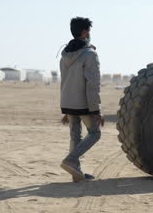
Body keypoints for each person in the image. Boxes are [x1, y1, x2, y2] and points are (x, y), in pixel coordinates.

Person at [59, 17, 104, 182]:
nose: (89, 34)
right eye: (89, 31)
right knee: (95, 133)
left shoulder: (64, 55)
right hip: (83, 104)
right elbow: (92, 85)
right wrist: (96, 111)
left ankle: (76, 174)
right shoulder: (90, 54)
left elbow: (64, 81)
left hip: (68, 102)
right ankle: (71, 161)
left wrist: (66, 108)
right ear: (84, 32)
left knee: (75, 136)